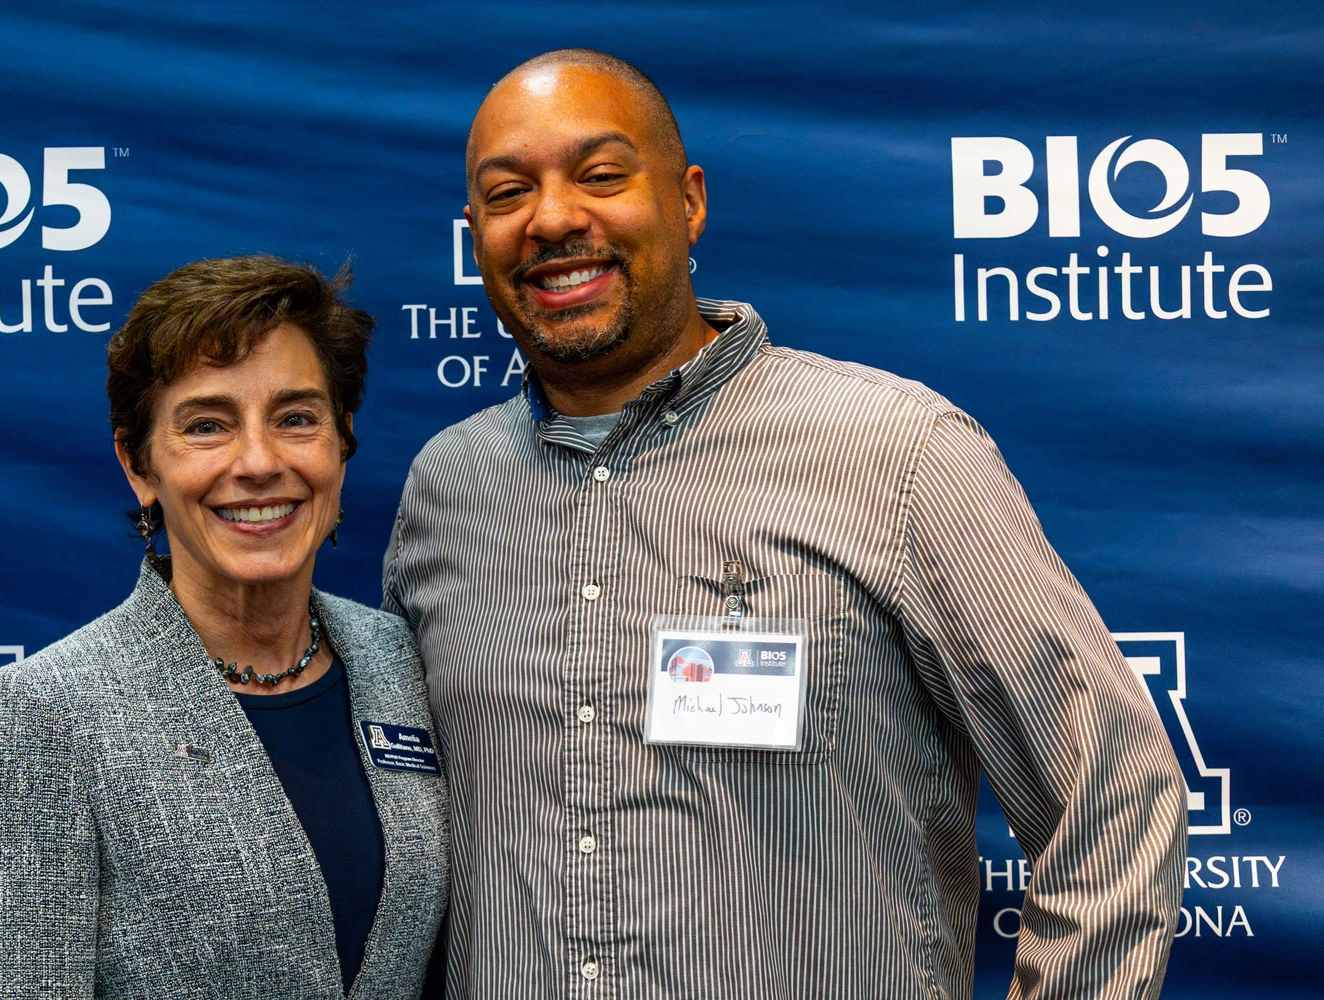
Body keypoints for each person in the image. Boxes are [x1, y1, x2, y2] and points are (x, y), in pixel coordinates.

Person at [383, 49, 1187, 999]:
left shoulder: (898, 454)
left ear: (688, 202)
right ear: (476, 234)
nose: (555, 219)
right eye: (510, 192)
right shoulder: (446, 487)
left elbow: (1115, 796)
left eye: (601, 176)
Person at [0, 255, 448, 1000]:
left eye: (296, 418)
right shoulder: (44, 715)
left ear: (342, 442)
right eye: (207, 425)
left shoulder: (396, 658)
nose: (258, 461)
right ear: (139, 465)